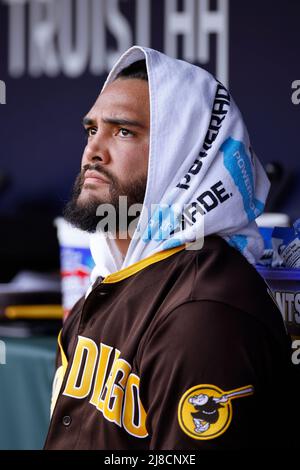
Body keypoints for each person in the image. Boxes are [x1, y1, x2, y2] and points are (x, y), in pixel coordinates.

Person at [44, 46, 298, 450]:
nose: (93, 151)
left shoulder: (204, 313)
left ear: (182, 153)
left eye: (123, 131)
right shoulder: (115, 276)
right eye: (92, 130)